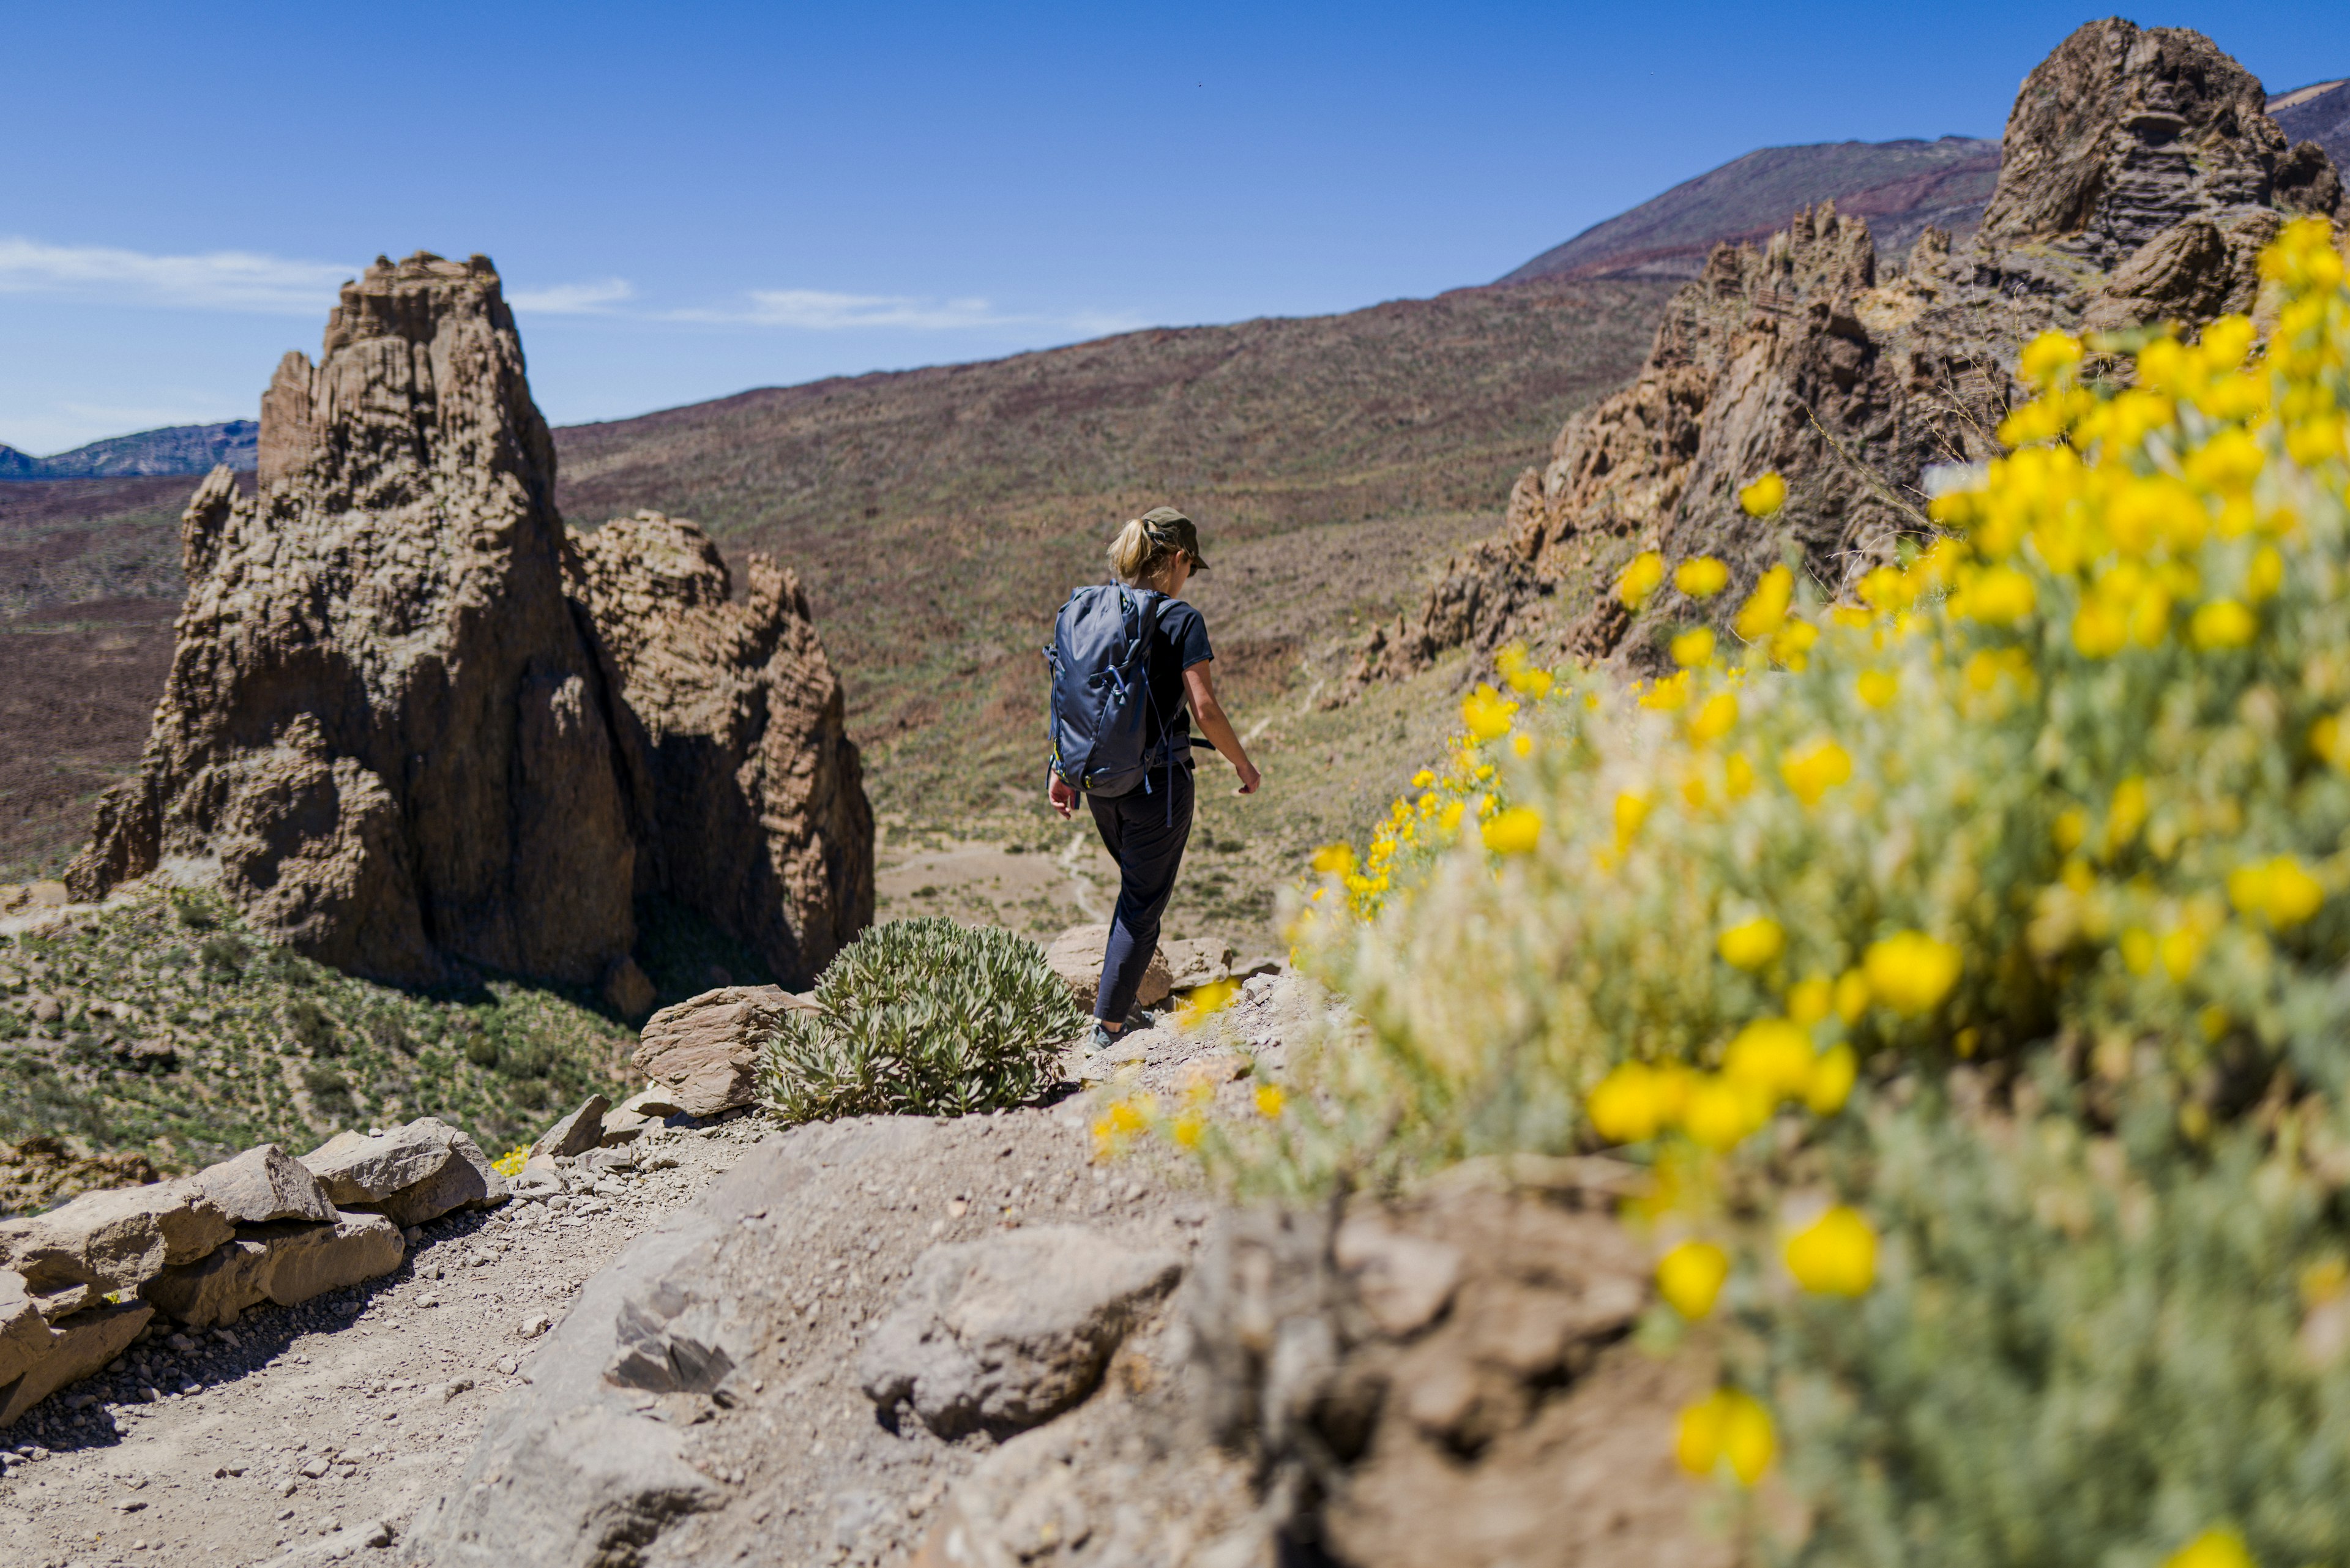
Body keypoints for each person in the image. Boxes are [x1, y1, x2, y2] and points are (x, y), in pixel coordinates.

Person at [1048, 506, 1261, 1050]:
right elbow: (1206, 709)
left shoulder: (1089, 610)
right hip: (1159, 787)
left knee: (1137, 893)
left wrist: (1059, 766)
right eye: (1190, 565)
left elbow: (1073, 698)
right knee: (1142, 906)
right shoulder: (1181, 619)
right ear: (1177, 558)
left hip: (1102, 786)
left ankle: (1121, 1008)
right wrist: (1241, 762)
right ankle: (1109, 1027)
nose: (1189, 577)